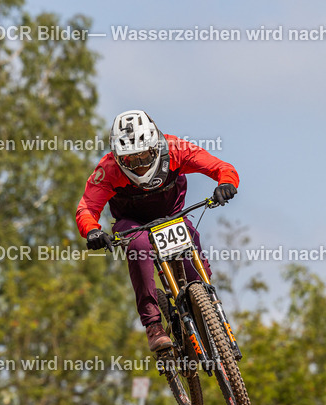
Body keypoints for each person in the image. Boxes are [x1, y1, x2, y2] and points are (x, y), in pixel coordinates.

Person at [76, 110, 239, 351]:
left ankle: (208, 306)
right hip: (132, 223)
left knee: (191, 245)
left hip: (172, 216)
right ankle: (153, 325)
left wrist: (226, 184)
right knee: (139, 246)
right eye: (131, 160)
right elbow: (88, 207)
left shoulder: (176, 149)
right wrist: (92, 231)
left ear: (155, 147)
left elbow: (221, 167)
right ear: (119, 158)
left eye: (144, 156)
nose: (140, 166)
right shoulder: (108, 169)